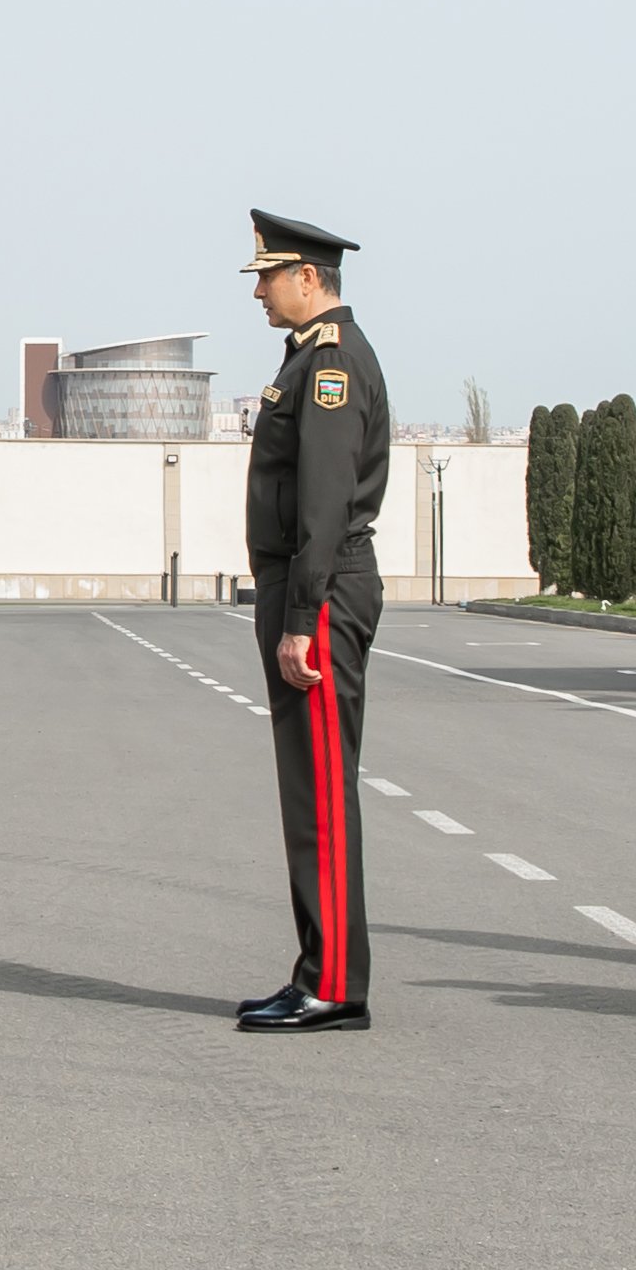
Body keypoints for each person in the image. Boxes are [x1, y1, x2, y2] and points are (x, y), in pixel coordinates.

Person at [238, 212, 391, 1034]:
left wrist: (302, 616)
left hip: (320, 595)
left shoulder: (329, 365)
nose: (258, 292)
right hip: (308, 589)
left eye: (266, 277)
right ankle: (319, 970)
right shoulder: (306, 362)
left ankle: (332, 983)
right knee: (310, 791)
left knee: (323, 793)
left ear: (308, 277)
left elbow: (326, 500)